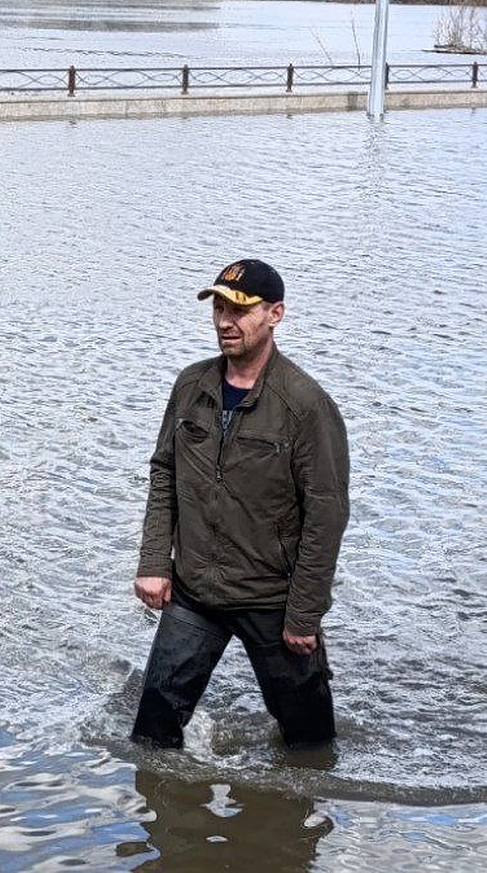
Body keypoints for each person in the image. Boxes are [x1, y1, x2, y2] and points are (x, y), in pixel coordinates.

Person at [131, 259, 349, 750]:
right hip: (194, 593)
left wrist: (304, 614)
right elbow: (164, 472)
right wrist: (153, 562)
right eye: (219, 308)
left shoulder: (306, 405)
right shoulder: (192, 387)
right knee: (150, 735)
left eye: (241, 310)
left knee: (310, 744)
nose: (225, 322)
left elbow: (326, 515)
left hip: (272, 600)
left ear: (276, 314)